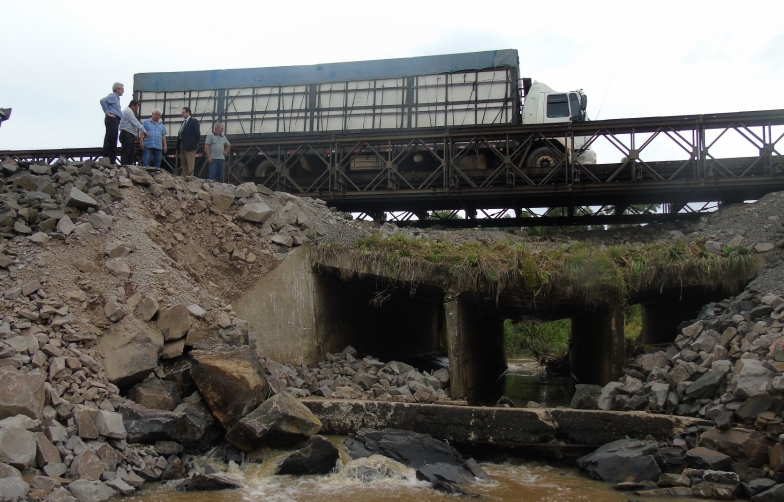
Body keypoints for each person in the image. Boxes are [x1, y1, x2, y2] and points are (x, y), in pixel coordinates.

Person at [99, 82, 124, 164]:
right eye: (122, 89)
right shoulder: (113, 96)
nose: (123, 91)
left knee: (113, 139)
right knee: (110, 138)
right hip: (112, 119)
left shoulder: (116, 98)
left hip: (116, 119)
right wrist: (107, 112)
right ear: (117, 89)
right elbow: (103, 100)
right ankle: (107, 159)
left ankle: (111, 160)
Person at [118, 100, 148, 165]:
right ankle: (124, 167)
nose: (137, 109)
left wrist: (135, 134)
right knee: (126, 153)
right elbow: (135, 122)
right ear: (132, 106)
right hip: (126, 134)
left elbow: (131, 125)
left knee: (131, 154)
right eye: (136, 107)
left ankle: (129, 167)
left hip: (129, 134)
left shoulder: (129, 112)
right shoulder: (128, 111)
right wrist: (144, 131)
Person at [177, 107, 200, 177]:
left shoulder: (193, 121)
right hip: (182, 144)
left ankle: (190, 176)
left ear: (188, 112)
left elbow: (197, 133)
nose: (182, 114)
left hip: (190, 145)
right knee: (183, 161)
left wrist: (194, 142)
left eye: (183, 112)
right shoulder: (183, 122)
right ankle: (184, 175)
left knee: (190, 161)